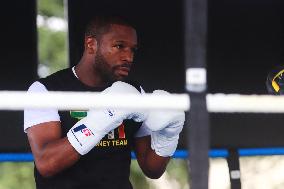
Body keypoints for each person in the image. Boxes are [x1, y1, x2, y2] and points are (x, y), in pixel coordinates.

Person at [24, 16, 185, 189]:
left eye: (132, 50)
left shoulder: (133, 92)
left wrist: (168, 135)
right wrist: (105, 116)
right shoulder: (47, 90)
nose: (128, 57)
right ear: (91, 44)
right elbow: (46, 164)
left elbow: (152, 169)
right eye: (119, 46)